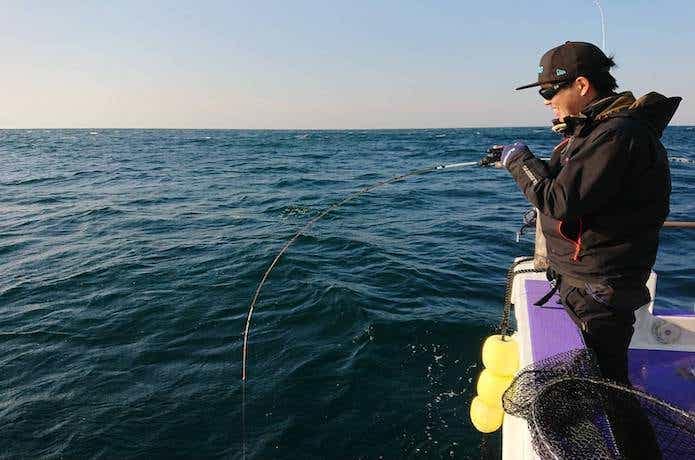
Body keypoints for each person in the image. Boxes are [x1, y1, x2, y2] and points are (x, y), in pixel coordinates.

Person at [497, 41, 682, 459]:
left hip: (600, 288)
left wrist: (519, 161)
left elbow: (558, 200)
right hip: (587, 281)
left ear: (582, 85)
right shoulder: (596, 133)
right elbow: (568, 184)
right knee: (603, 377)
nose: (546, 101)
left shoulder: (617, 135)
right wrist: (527, 161)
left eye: (550, 91)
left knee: (612, 388)